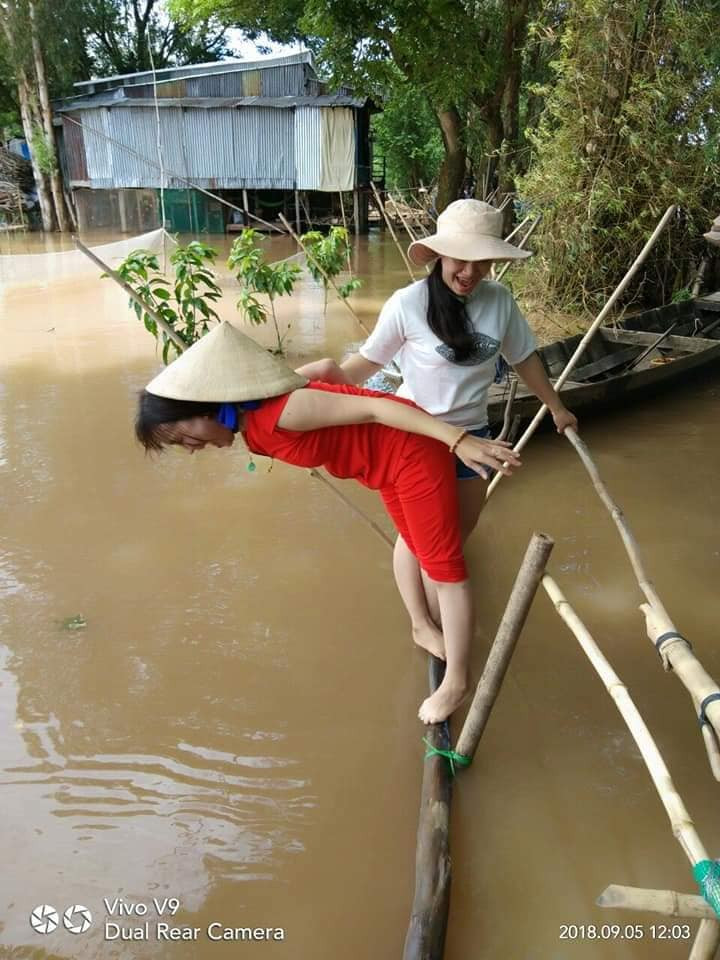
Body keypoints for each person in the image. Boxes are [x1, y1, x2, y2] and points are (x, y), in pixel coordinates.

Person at [135, 321, 522, 725]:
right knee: (413, 544)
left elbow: (377, 408)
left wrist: (458, 440)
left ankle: (457, 681)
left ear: (201, 408)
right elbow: (323, 369)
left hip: (413, 454)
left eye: (183, 437)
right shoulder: (256, 415)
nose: (191, 449)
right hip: (382, 464)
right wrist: (348, 408)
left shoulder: (281, 412)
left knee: (445, 570)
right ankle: (422, 626)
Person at [297, 199, 577, 657]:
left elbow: (524, 358)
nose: (469, 271)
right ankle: (423, 623)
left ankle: (444, 611)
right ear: (440, 254)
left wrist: (557, 408)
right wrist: (319, 390)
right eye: (460, 258)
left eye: (481, 260)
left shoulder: (499, 301)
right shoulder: (408, 304)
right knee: (421, 541)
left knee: (457, 534)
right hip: (412, 439)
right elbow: (366, 364)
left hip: (474, 438)